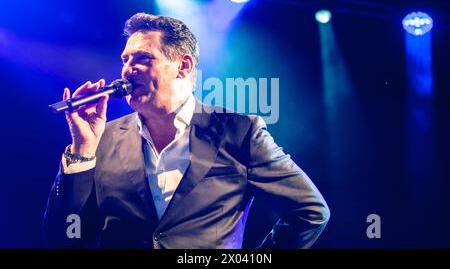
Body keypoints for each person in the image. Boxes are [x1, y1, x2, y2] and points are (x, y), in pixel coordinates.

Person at [43, 13, 330, 249]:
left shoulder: (239, 131)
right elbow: (61, 237)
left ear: (183, 66)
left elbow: (310, 211)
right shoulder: (101, 139)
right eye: (125, 60)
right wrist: (82, 150)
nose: (128, 69)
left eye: (143, 58)